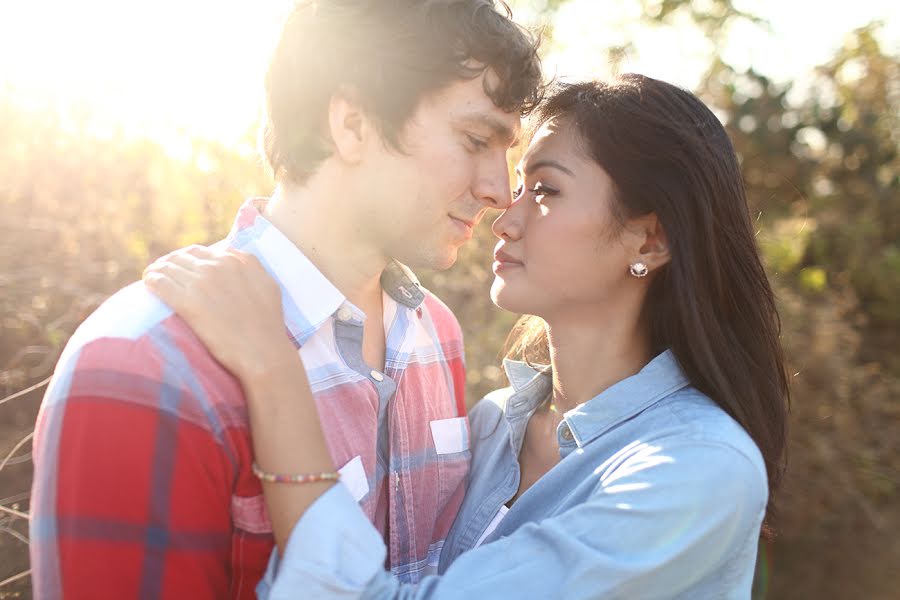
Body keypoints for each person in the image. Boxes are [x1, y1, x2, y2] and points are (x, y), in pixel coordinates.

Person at [144, 75, 791, 599]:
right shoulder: (487, 430)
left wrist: (270, 369)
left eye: (544, 190)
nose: (501, 219)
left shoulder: (697, 472)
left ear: (649, 238)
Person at [29, 1, 543, 598]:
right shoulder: (145, 366)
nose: (500, 190)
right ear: (351, 124)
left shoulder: (437, 336)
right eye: (477, 139)